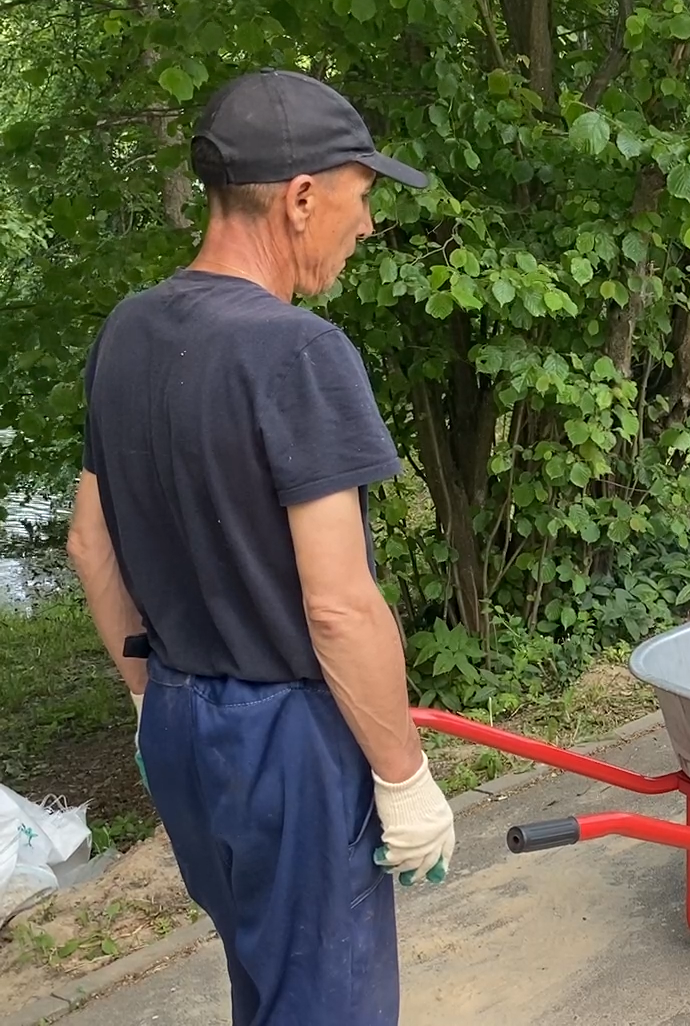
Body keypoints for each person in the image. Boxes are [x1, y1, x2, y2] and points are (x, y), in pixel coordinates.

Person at [64, 68, 456, 1025]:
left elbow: (87, 543)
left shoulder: (129, 332)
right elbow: (338, 605)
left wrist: (154, 704)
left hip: (184, 723)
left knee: (266, 980)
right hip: (289, 747)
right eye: (362, 200)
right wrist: (404, 781)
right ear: (302, 196)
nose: (366, 226)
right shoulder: (299, 354)